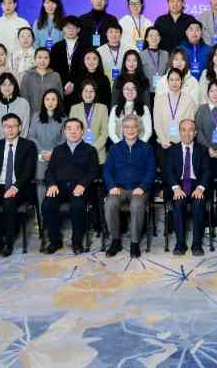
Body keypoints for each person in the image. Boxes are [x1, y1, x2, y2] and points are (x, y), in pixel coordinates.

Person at [0, 114, 38, 257]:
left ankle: (9, 242)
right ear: (3, 128)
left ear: (20, 128)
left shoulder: (28, 146)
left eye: (14, 126)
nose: (10, 129)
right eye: (7, 126)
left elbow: (28, 171)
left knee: (9, 202)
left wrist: (15, 187)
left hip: (19, 186)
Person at [42, 117, 100, 254]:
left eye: (77, 128)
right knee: (47, 205)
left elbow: (94, 171)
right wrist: (52, 184)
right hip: (59, 187)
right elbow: (49, 171)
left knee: (77, 206)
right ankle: (55, 241)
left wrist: (83, 185)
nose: (73, 132)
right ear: (64, 131)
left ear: (82, 131)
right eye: (69, 129)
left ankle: (77, 242)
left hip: (79, 187)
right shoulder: (58, 150)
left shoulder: (90, 150)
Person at [103, 114, 156, 258]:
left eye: (133, 127)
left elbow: (151, 171)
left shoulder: (147, 148)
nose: (130, 130)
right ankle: (115, 240)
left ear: (139, 129)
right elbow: (107, 171)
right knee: (110, 204)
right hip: (118, 188)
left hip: (139, 189)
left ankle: (134, 243)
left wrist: (143, 187)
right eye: (126, 127)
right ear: (122, 129)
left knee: (137, 205)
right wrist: (111, 186)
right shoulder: (114, 149)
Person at [166, 119, 211, 255]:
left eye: (191, 130)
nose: (187, 133)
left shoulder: (202, 150)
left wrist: (201, 187)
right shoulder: (171, 150)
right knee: (178, 203)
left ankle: (196, 244)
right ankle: (180, 244)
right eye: (184, 130)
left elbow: (207, 171)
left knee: (198, 203)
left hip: (196, 185)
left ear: (195, 133)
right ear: (179, 132)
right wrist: (175, 188)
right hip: (178, 185)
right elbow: (168, 171)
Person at [153, 68, 198, 150]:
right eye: (172, 80)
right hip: (163, 144)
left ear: (182, 81)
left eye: (177, 79)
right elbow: (157, 123)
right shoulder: (159, 100)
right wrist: (163, 141)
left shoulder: (189, 100)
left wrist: (184, 141)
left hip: (182, 143)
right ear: (167, 81)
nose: (174, 83)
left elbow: (190, 123)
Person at [29, 89, 67, 186]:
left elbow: (64, 139)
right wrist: (42, 151)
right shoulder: (36, 116)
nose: (50, 102)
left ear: (58, 101)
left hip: (56, 155)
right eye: (47, 99)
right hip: (40, 155)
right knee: (41, 181)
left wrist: (53, 152)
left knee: (55, 183)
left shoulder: (64, 118)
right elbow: (31, 136)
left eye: (53, 99)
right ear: (43, 101)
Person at [0, 72, 32, 146]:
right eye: (4, 85)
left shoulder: (23, 103)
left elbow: (24, 128)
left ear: (15, 86)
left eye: (10, 84)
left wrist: (16, 144)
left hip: (19, 145)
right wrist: (3, 144)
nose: (7, 88)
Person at [69, 80, 110, 164]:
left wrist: (93, 148)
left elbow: (105, 132)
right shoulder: (74, 108)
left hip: (98, 154)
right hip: (79, 153)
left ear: (95, 93)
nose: (88, 94)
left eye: (91, 91)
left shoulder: (103, 108)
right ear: (81, 92)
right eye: (86, 91)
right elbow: (71, 131)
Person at [20, 47, 63, 117]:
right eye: (39, 57)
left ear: (50, 59)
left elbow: (59, 96)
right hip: (32, 116)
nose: (42, 61)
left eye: (46, 58)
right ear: (35, 59)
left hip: (51, 115)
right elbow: (23, 97)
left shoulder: (55, 76)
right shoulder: (27, 76)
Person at [140, 26, 170, 94]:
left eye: (157, 35)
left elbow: (168, 72)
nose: (154, 38)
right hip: (146, 92)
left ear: (160, 38)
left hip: (163, 91)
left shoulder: (166, 54)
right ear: (146, 38)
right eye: (151, 35)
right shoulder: (140, 55)